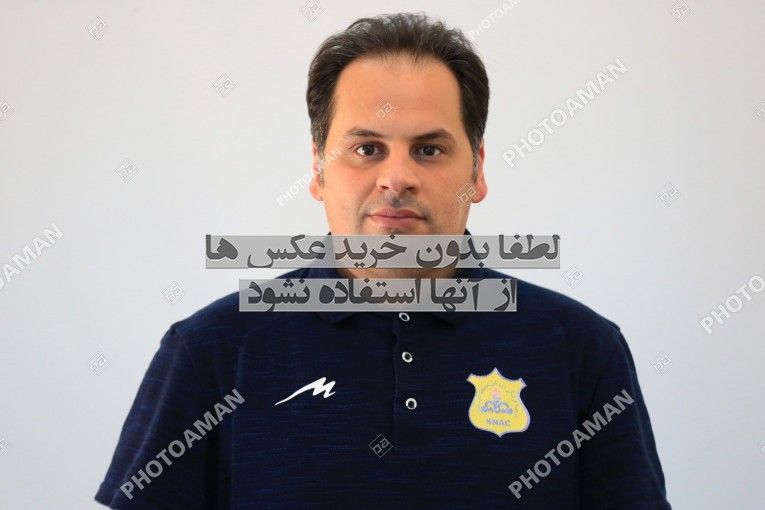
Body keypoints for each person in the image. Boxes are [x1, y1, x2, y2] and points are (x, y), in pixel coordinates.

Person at [95, 12, 671, 509]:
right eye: (367, 148)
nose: (397, 178)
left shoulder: (581, 351)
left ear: (477, 170)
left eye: (430, 149)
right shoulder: (210, 353)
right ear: (318, 170)